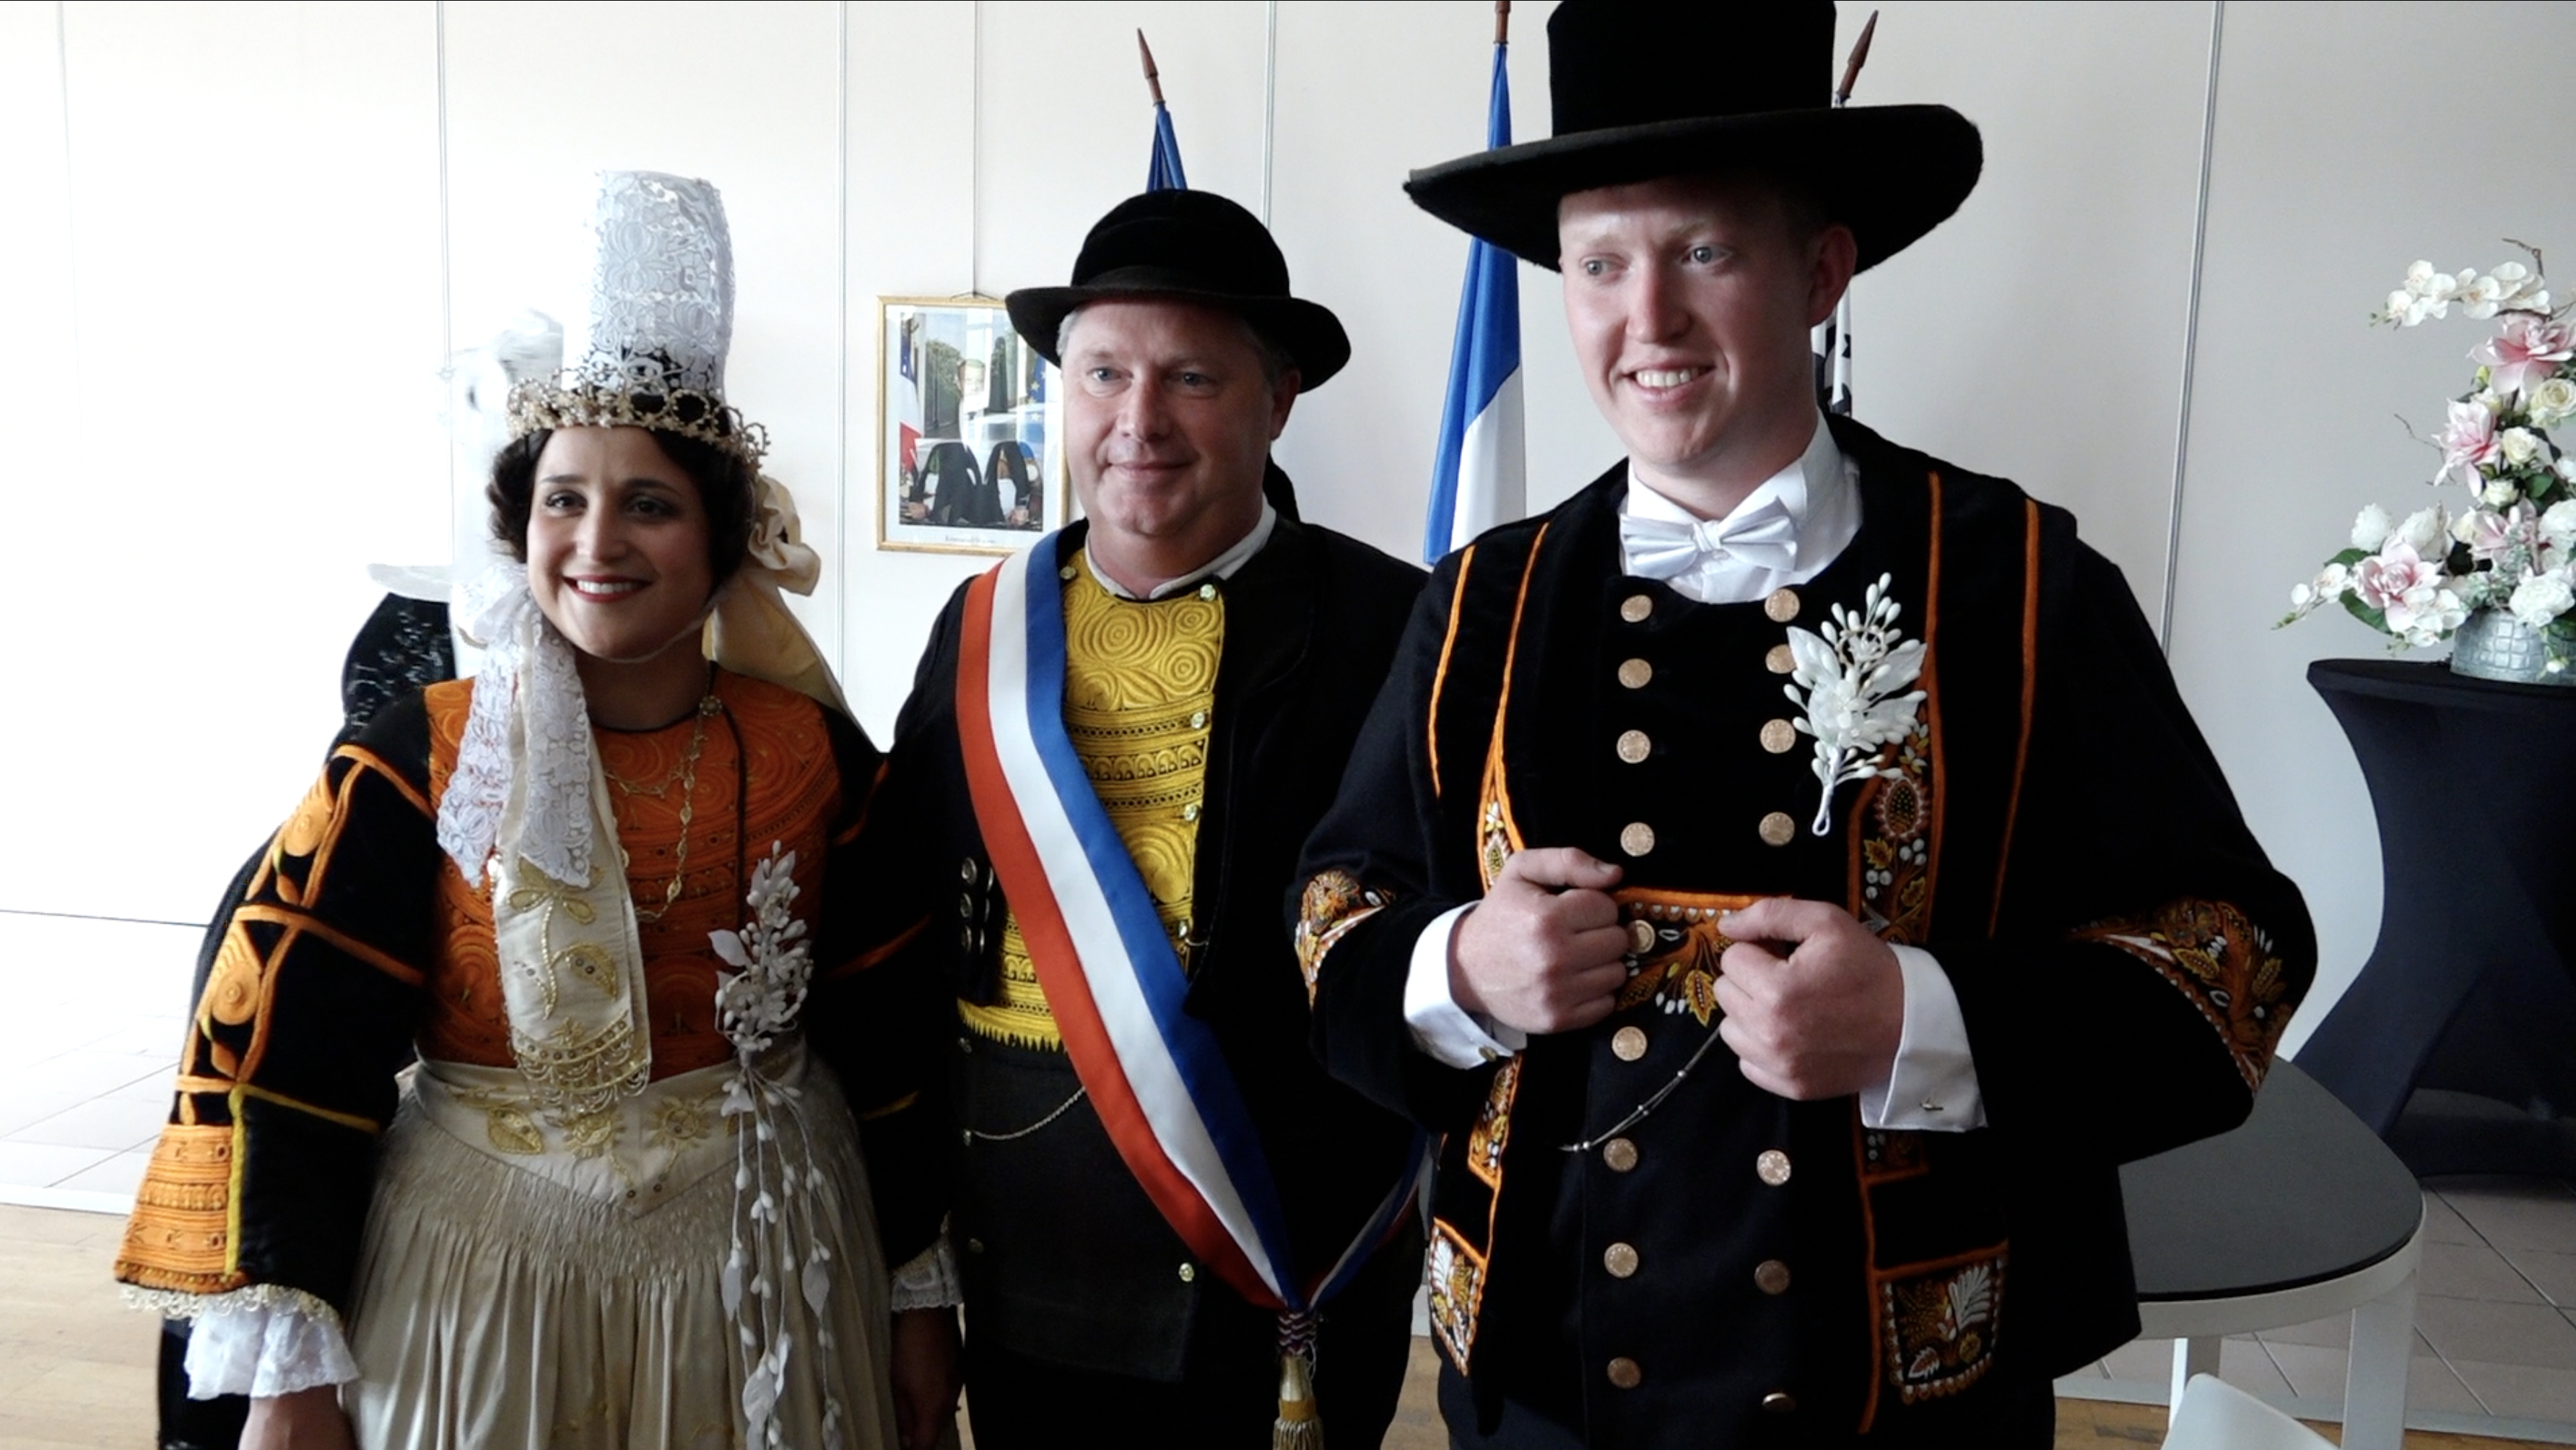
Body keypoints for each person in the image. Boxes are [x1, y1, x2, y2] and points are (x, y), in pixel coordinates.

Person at [1292, 4, 2318, 1446]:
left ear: (1819, 271)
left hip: (1907, 1401)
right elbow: (1336, 913)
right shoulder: (1480, 600)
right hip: (1541, 1385)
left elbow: (2232, 961)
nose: (1642, 321)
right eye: (1598, 264)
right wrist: (1453, 964)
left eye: (1702, 253)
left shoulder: (2020, 587)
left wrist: (1925, 1017)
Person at [115, 171, 960, 1450]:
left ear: (723, 539)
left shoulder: (810, 754)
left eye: (650, 503)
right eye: (565, 498)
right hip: (478, 1287)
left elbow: (895, 1042)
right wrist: (288, 1373)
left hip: (766, 1278)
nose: (597, 539)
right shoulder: (423, 761)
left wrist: (916, 1297)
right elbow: (291, 1055)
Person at [857, 188, 1426, 1448]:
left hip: (1279, 1252)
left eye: (1191, 379)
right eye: (1102, 373)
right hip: (1023, 1257)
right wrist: (910, 1270)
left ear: (1278, 401)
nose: (1138, 422)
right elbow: (893, 938)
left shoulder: (1399, 627)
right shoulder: (983, 631)